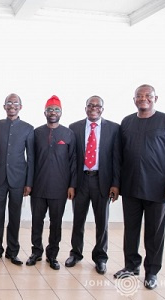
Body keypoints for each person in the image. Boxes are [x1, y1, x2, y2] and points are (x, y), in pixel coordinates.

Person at [114, 84, 165, 290]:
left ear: (155, 98)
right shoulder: (126, 122)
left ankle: (151, 272)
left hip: (157, 188)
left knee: (154, 233)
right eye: (139, 96)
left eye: (148, 96)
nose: (143, 99)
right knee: (131, 230)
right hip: (130, 186)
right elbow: (118, 156)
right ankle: (131, 266)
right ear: (134, 99)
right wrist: (116, 184)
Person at [66, 95, 121, 275]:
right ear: (85, 108)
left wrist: (115, 184)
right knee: (78, 220)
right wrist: (71, 184)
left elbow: (116, 159)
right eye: (90, 105)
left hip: (102, 181)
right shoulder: (74, 128)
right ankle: (76, 253)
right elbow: (72, 160)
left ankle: (100, 258)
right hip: (81, 180)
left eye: (97, 106)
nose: (93, 108)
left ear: (102, 109)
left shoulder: (114, 129)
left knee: (102, 222)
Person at [26, 95, 76, 270]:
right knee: (36, 221)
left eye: (56, 110)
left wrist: (72, 186)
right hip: (38, 187)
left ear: (61, 112)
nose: (53, 112)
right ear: (44, 112)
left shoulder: (69, 134)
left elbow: (73, 162)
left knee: (56, 223)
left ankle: (52, 255)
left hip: (59, 188)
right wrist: (29, 184)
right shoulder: (36, 133)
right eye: (50, 109)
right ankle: (36, 252)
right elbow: (31, 160)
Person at [0, 93, 34, 266]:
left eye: (15, 103)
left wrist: (29, 182)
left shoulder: (28, 128)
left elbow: (31, 158)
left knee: (15, 216)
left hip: (18, 180)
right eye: (9, 103)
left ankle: (12, 251)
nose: (12, 105)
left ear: (20, 107)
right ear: (4, 106)